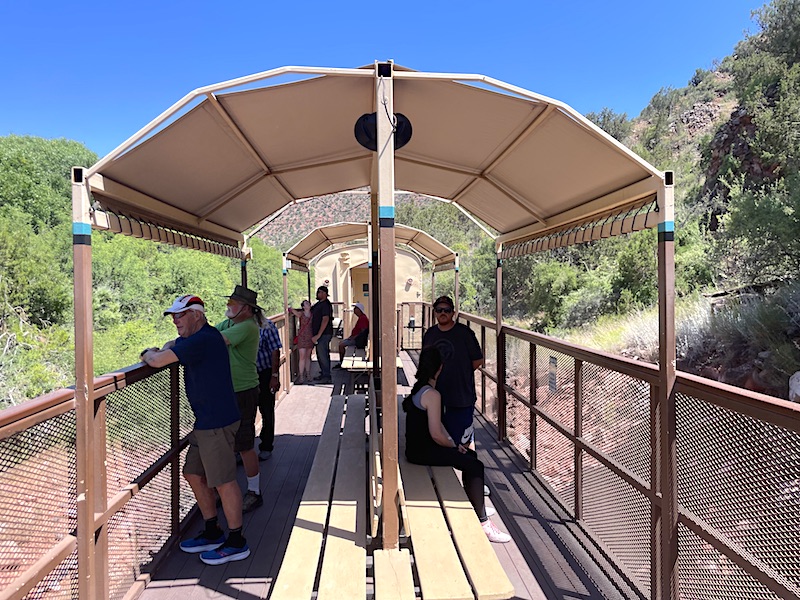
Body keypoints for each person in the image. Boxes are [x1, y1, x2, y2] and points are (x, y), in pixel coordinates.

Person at [140, 294, 250, 565]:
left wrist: (147, 353)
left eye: (182, 315)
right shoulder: (202, 337)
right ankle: (213, 530)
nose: (176, 320)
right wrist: (165, 348)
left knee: (224, 481)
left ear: (197, 315)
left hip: (217, 422)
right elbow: (173, 345)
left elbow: (156, 360)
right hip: (207, 421)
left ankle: (237, 541)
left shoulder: (203, 340)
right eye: (174, 316)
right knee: (192, 472)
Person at [402, 346, 510, 543]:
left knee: (470, 457)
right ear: (440, 368)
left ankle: (476, 503)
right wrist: (452, 447)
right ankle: (483, 522)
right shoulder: (433, 395)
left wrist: (453, 444)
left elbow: (439, 427)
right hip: (421, 453)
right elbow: (435, 434)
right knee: (475, 464)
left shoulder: (420, 388)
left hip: (417, 448)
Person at [216, 285, 263, 513]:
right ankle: (226, 489)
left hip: (244, 390)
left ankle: (254, 491)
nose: (229, 306)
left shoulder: (247, 327)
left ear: (246, 309)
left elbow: (215, 341)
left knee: (245, 445)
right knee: (228, 442)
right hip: (230, 391)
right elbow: (209, 334)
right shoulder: (231, 324)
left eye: (232, 304)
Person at [422, 295, 485, 448]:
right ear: (435, 312)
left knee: (464, 440)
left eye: (447, 310)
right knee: (439, 438)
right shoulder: (430, 334)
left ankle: (469, 468)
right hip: (435, 396)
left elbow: (477, 360)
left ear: (453, 313)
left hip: (461, 396)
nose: (443, 313)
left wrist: (461, 371)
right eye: (439, 310)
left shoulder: (465, 333)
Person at [256, 315, 282, 461]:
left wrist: (274, 375)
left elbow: (275, 351)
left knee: (266, 410)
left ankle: (266, 446)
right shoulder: (234, 325)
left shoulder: (267, 325)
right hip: (246, 374)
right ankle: (242, 449)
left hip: (264, 373)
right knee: (245, 412)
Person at [310, 285, 333, 384]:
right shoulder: (319, 304)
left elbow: (325, 319)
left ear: (324, 293)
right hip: (320, 334)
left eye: (319, 292)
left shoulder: (326, 305)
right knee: (321, 354)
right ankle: (324, 373)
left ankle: (326, 376)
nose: (317, 293)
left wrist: (318, 335)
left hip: (324, 334)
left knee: (323, 354)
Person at [335, 302, 369, 367]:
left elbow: (363, 331)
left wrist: (354, 337)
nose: (354, 310)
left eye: (356, 308)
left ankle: (341, 363)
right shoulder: (361, 317)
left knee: (341, 345)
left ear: (359, 310)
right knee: (341, 343)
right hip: (354, 338)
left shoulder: (363, 318)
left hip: (357, 340)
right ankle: (341, 362)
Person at [288, 300, 314, 384]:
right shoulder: (301, 314)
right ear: (303, 307)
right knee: (302, 356)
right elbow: (294, 311)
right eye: (306, 304)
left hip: (310, 337)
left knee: (307, 356)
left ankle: (308, 374)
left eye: (308, 303)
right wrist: (290, 309)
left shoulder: (312, 314)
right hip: (302, 337)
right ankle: (302, 376)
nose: (308, 304)